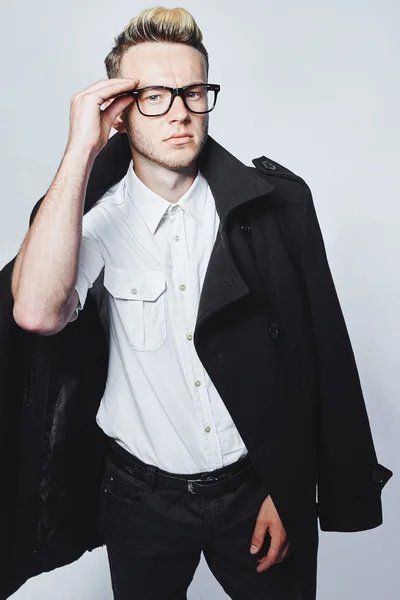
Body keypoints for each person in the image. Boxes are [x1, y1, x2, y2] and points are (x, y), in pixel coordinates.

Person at [6, 6, 392, 600]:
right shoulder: (89, 220)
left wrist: (289, 488)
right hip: (138, 501)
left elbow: (319, 356)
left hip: (255, 492)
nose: (180, 111)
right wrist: (82, 146)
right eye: (154, 95)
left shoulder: (275, 208)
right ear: (121, 109)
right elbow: (36, 313)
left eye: (193, 91)